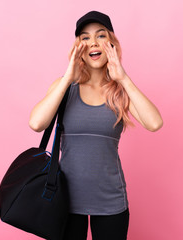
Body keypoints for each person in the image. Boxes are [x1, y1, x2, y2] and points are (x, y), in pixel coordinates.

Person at [29, 10, 163, 240]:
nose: (93, 42)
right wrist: (68, 78)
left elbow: (154, 123)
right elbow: (36, 123)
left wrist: (123, 78)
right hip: (65, 200)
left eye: (101, 35)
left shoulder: (120, 91)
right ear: (78, 46)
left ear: (110, 42)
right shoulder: (64, 86)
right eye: (85, 37)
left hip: (111, 201)